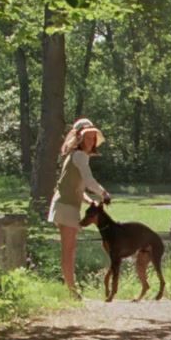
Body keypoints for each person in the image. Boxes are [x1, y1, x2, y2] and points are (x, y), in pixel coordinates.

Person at [49, 118, 110, 299]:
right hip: (65, 206)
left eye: (93, 138)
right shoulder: (79, 156)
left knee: (70, 249)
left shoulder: (76, 156)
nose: (91, 141)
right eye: (87, 137)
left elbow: (77, 187)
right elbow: (89, 181)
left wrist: (89, 201)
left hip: (67, 206)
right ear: (79, 138)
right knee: (68, 250)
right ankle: (72, 292)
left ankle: (72, 290)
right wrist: (103, 193)